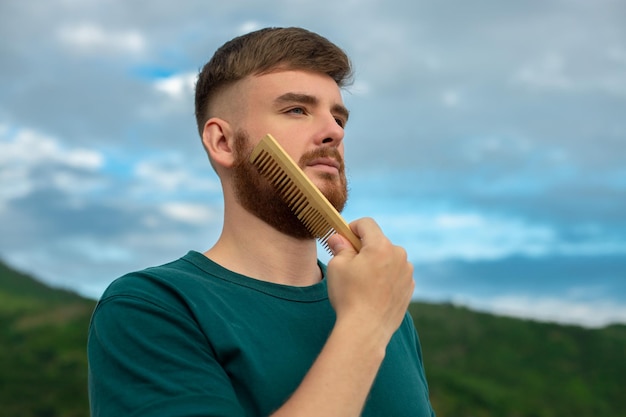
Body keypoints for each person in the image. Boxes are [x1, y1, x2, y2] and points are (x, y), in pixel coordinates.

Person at [88, 27, 436, 417]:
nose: (334, 132)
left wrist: (375, 314)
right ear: (222, 142)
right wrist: (365, 326)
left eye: (338, 118)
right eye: (297, 110)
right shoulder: (151, 306)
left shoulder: (389, 312)